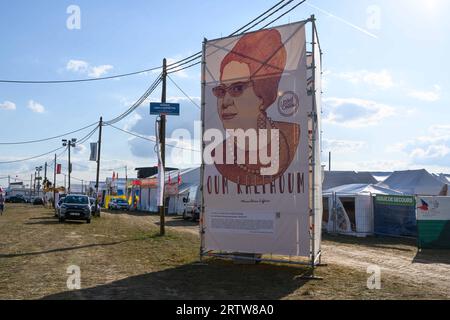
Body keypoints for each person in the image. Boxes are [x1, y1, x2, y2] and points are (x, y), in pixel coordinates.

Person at [212, 29, 300, 186]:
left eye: (237, 89)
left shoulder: (292, 136)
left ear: (262, 96)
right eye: (221, 91)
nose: (225, 101)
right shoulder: (218, 154)